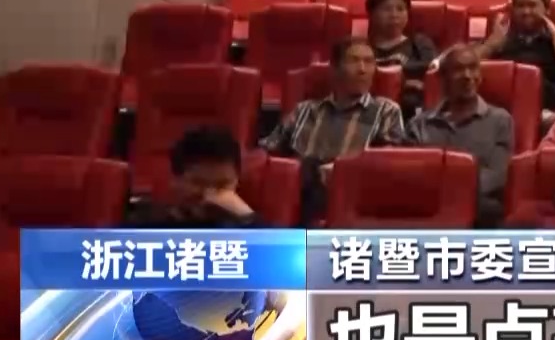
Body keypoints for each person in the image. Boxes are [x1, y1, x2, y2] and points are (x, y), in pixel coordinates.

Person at [409, 44, 514, 226]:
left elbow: (497, 174)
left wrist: (454, 194)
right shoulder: (419, 124)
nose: (467, 76)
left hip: (478, 209)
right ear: (443, 78)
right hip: (428, 206)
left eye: (473, 68)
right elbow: (413, 176)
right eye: (458, 69)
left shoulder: (500, 120)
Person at [262, 36, 409, 165]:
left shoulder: (386, 111)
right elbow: (266, 150)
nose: (362, 69)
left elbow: (387, 165)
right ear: (335, 68)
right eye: (353, 61)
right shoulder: (303, 110)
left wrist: (341, 170)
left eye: (369, 61)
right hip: (300, 181)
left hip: (351, 183)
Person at [480, 0, 555, 111]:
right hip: (503, 110)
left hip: (545, 111)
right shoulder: (500, 39)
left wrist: (552, 30)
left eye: (532, 5)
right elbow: (467, 63)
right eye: (520, 6)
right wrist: (491, 44)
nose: (526, 11)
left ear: (547, 9)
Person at [127, 125, 256, 227]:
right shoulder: (146, 227)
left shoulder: (248, 225)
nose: (209, 194)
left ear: (237, 180)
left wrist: (247, 218)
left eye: (222, 184)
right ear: (175, 179)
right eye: (199, 183)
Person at [365, 0, 438, 116]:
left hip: (412, 112)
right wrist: (404, 82)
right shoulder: (361, 47)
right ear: (371, 14)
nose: (394, 15)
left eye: (400, 9)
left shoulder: (419, 43)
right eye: (386, 9)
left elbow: (432, 70)